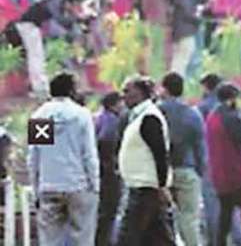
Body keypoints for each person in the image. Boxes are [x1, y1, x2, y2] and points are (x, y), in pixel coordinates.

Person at [29, 73, 100, 245]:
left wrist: (35, 187)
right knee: (82, 237)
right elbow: (89, 154)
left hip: (49, 184)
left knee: (50, 239)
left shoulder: (39, 116)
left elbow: (34, 157)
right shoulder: (82, 115)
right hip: (78, 184)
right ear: (71, 90)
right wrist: (95, 184)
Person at [116, 75, 176, 245]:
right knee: (157, 238)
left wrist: (162, 185)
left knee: (127, 238)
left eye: (127, 91)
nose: (123, 96)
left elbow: (160, 154)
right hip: (142, 187)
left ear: (141, 93)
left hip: (145, 188)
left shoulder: (149, 117)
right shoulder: (137, 117)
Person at [205, 82, 241, 246]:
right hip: (238, 175)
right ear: (231, 99)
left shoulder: (211, 118)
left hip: (219, 177)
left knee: (225, 218)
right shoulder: (230, 117)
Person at [158, 72, 206, 246]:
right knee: (189, 219)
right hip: (187, 169)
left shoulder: (156, 112)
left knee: (161, 220)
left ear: (164, 89)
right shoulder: (192, 114)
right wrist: (200, 171)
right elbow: (200, 146)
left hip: (160, 174)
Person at [6, 0, 82, 97]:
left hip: (31, 26)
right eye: (73, 6)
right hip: (28, 25)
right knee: (36, 57)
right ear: (68, 3)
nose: (73, 9)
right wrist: (75, 21)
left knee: (37, 56)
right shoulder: (54, 3)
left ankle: (39, 86)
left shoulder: (57, 3)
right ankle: (39, 88)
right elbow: (58, 20)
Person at [95, 92, 124, 246]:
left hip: (49, 181)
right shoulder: (111, 120)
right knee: (108, 212)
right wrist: (111, 163)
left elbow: (35, 152)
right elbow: (105, 139)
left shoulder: (99, 117)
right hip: (107, 174)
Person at [168, 0, 202, 76]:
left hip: (180, 30)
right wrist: (198, 17)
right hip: (184, 30)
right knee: (181, 60)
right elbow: (187, 13)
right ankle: (175, 84)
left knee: (179, 60)